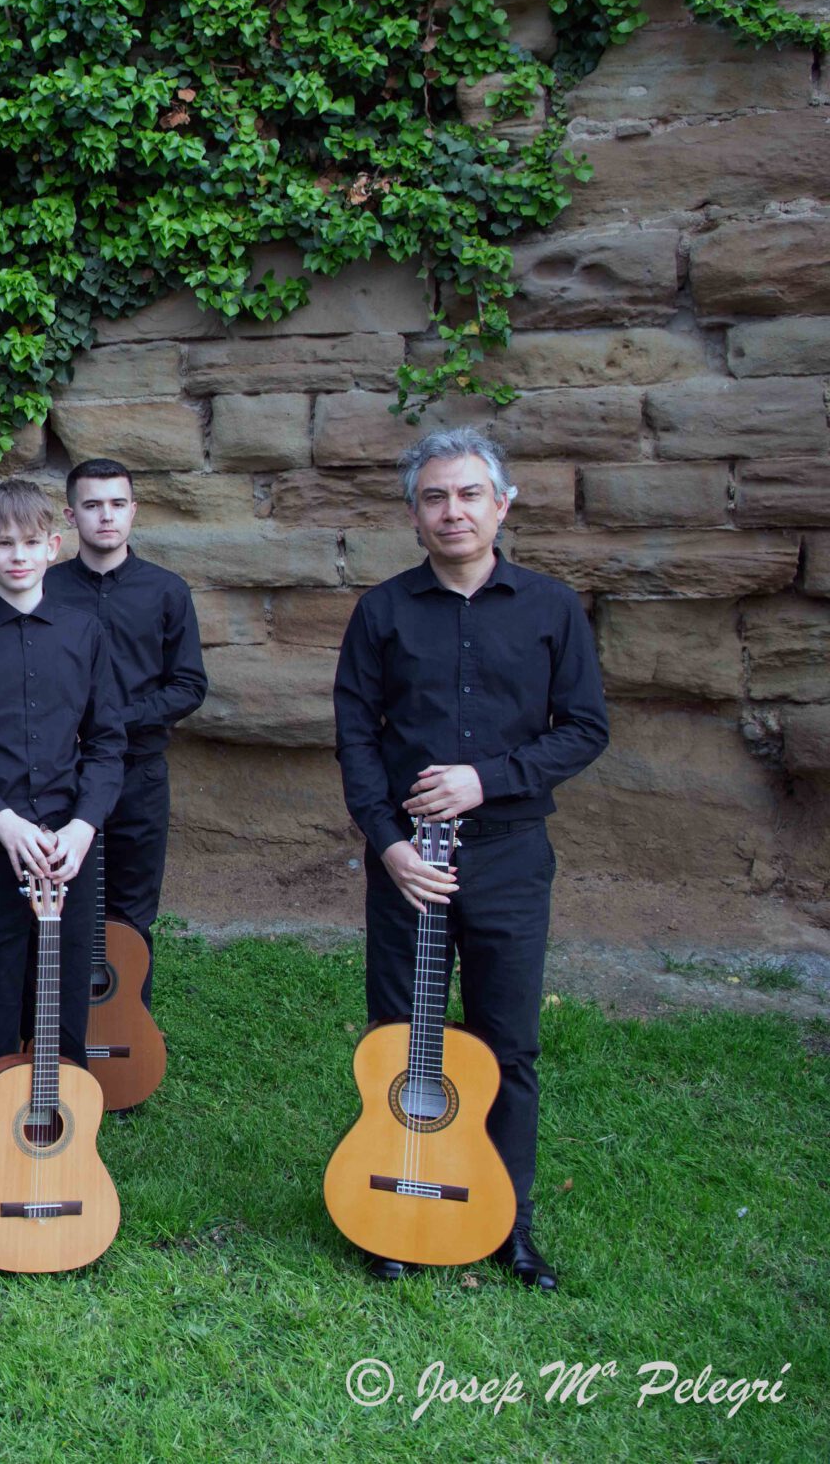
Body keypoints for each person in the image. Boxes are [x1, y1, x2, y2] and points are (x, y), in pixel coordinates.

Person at [334, 427, 608, 1290]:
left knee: (507, 1042)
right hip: (409, 862)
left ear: (502, 502)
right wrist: (389, 846)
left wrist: (487, 780)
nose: (452, 511)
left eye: (468, 494)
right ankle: (395, 1209)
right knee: (401, 1039)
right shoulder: (382, 612)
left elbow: (584, 728)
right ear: (414, 514)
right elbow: (354, 737)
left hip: (508, 856)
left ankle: (506, 1221)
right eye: (434, 497)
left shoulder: (552, 608)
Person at [0, 478, 125, 1161]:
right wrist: (1, 818)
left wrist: (83, 826)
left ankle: (64, 1156)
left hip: (69, 848)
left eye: (30, 543)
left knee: (63, 1004)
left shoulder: (85, 632)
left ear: (54, 545)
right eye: (2, 543)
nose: (16, 556)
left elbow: (107, 741)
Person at [42, 457, 206, 1002]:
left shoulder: (166, 591)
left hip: (138, 774)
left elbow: (187, 685)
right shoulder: (46, 590)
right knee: (58, 900)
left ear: (133, 511)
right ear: (71, 516)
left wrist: (112, 722)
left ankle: (127, 1026)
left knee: (132, 907)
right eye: (92, 506)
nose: (105, 517)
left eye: (117, 505)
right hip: (65, 777)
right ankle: (56, 1024)